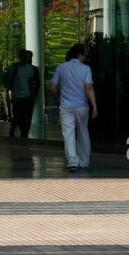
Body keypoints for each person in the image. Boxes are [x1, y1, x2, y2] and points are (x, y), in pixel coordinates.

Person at [50, 43, 97, 171]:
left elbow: (53, 87)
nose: (85, 58)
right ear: (80, 54)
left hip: (66, 107)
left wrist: (60, 96)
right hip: (82, 106)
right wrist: (94, 106)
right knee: (83, 132)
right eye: (84, 55)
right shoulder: (86, 69)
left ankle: (72, 162)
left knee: (68, 134)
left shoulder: (61, 68)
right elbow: (89, 87)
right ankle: (84, 161)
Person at [6, 50, 40, 138]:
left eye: (28, 57)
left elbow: (37, 83)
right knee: (18, 116)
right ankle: (16, 132)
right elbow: (8, 80)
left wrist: (33, 95)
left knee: (26, 118)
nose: (27, 58)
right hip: (17, 96)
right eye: (25, 56)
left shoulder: (32, 69)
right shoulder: (14, 67)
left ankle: (23, 134)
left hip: (27, 97)